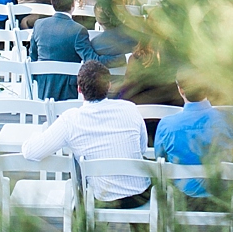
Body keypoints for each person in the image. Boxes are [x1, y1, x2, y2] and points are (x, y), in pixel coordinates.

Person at [23, 61, 151, 220]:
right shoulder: (129, 108)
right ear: (109, 86)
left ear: (79, 89)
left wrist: (36, 135)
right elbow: (142, 148)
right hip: (140, 194)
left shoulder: (70, 120)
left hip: (103, 198)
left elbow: (31, 152)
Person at [154, 74, 233, 204]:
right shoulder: (229, 120)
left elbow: (160, 160)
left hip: (183, 197)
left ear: (181, 90)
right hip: (223, 195)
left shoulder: (167, 125)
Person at [28, 0, 110, 100]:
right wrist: (121, 58)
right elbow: (92, 60)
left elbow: (33, 55)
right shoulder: (78, 30)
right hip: (69, 90)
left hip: (43, 85)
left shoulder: (39, 24)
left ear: (52, 3)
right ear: (73, 4)